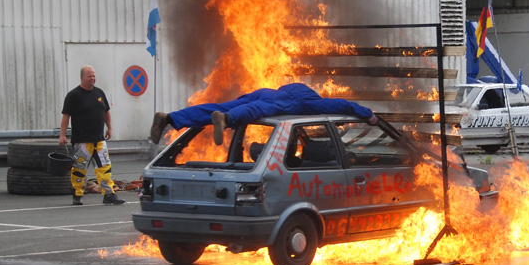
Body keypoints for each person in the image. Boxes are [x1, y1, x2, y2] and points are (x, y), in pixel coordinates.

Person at [149, 83, 379, 145]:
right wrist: (367, 114)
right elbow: (341, 104)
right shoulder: (311, 102)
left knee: (219, 105)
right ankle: (226, 119)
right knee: (256, 112)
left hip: (265, 91)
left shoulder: (290, 87)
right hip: (282, 101)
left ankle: (170, 118)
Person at [59, 66, 125, 206]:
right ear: (82, 77)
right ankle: (77, 194)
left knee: (105, 168)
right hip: (82, 141)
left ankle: (109, 194)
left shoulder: (99, 93)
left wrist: (110, 128)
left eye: (94, 76)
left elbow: (106, 111)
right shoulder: (73, 95)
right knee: (79, 169)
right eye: (90, 76)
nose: (93, 78)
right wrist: (62, 135)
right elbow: (66, 116)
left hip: (99, 140)